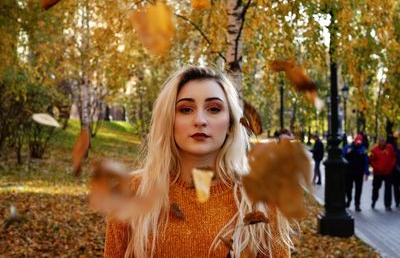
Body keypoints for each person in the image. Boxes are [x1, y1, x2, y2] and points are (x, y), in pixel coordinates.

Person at [103, 66, 291, 257]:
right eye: (185, 109)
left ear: (231, 124)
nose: (200, 120)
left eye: (214, 109)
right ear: (169, 119)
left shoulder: (260, 200)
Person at [369, 137, 397, 211]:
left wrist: (392, 166)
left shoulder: (390, 147)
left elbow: (394, 157)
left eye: (384, 141)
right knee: (376, 187)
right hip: (378, 173)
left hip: (388, 172)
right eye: (381, 141)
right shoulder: (374, 150)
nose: (383, 142)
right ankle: (374, 200)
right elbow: (371, 161)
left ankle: (388, 205)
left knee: (388, 189)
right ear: (378, 142)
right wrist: (376, 168)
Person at [342, 134, 369, 212]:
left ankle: (357, 204)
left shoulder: (363, 149)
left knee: (358, 189)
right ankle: (349, 200)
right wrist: (347, 153)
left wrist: (366, 172)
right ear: (355, 141)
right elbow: (343, 156)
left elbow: (366, 161)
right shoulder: (348, 147)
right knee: (348, 188)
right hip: (349, 172)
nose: (358, 143)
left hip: (359, 172)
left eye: (360, 142)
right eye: (357, 141)